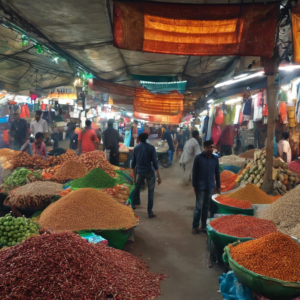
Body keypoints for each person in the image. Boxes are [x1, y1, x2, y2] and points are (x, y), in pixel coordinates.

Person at [192, 140, 220, 234]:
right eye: (208, 147)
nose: (210, 149)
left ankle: (203, 226)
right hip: (200, 185)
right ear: (204, 148)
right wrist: (194, 185)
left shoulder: (215, 158)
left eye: (212, 147)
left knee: (206, 206)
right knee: (199, 207)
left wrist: (218, 185)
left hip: (210, 186)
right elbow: (194, 172)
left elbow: (217, 173)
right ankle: (195, 226)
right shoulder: (198, 158)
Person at [131, 132, 161, 218]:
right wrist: (158, 176)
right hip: (150, 172)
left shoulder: (136, 148)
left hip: (140, 172)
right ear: (147, 138)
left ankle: (131, 209)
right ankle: (150, 212)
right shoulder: (151, 148)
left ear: (139, 139)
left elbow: (133, 164)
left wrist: (134, 177)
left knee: (136, 190)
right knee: (150, 193)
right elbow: (155, 163)